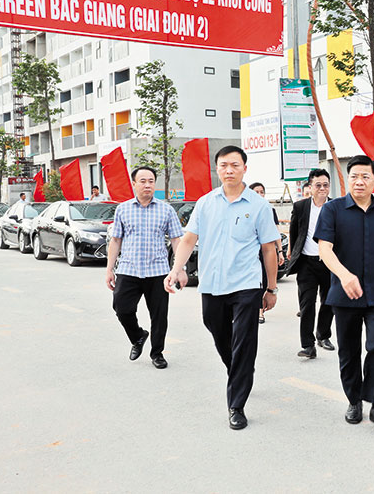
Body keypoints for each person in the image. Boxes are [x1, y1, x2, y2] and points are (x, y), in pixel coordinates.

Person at [164, 146, 280, 431]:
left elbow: (268, 249)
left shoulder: (259, 206)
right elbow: (189, 239)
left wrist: (272, 288)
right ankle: (239, 370)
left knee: (244, 340)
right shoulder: (205, 203)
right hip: (213, 283)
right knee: (216, 328)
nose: (229, 170)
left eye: (235, 165)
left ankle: (236, 405)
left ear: (244, 169)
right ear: (217, 169)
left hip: (246, 284)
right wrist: (176, 268)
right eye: (224, 165)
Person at [315, 155, 374, 433]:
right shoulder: (333, 210)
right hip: (344, 293)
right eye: (354, 177)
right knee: (348, 351)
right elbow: (324, 249)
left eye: (365, 176)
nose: (359, 181)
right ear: (347, 180)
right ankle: (354, 400)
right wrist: (345, 275)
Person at [105, 166, 184, 370]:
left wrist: (179, 268)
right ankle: (137, 336)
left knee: (159, 316)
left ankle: (157, 353)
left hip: (157, 271)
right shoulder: (123, 209)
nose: (147, 184)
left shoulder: (166, 210)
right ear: (134, 184)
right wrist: (109, 269)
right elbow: (116, 240)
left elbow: (177, 239)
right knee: (121, 308)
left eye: (151, 181)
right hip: (128, 269)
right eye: (143, 181)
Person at [287, 169, 335, 359]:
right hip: (307, 262)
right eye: (318, 185)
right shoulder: (300, 207)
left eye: (325, 185)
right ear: (310, 187)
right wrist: (292, 251)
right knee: (307, 304)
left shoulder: (335, 206)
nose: (322, 188)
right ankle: (308, 345)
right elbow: (294, 231)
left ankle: (323, 335)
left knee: (329, 301)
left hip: (330, 262)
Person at [249, 182, 286, 324]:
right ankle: (255, 310)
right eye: (256, 192)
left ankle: (260, 310)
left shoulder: (269, 210)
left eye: (262, 192)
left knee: (263, 280)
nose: (259, 195)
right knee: (254, 282)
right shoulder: (246, 209)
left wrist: (280, 251)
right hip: (251, 252)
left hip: (266, 251)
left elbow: (275, 232)